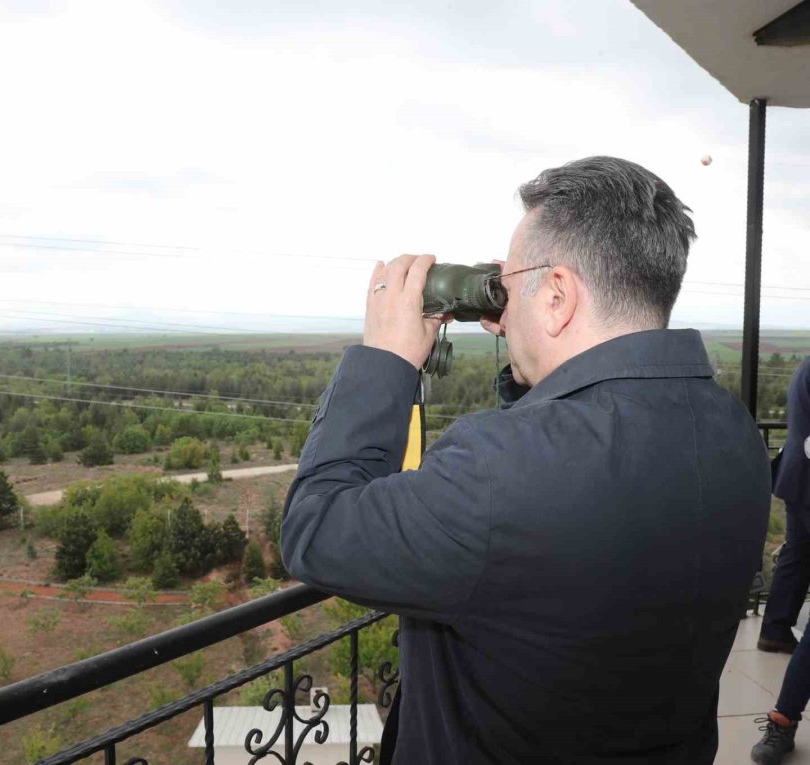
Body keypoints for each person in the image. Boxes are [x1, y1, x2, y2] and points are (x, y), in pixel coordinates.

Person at [280, 156, 770, 764]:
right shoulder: (732, 431)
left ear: (557, 296)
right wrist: (528, 351)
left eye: (510, 285)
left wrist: (386, 357)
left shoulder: (497, 467)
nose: (503, 305)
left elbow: (315, 530)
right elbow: (573, 448)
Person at [751, 357, 810, 764]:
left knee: (795, 557)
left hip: (798, 479)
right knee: (795, 557)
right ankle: (784, 718)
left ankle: (774, 629)